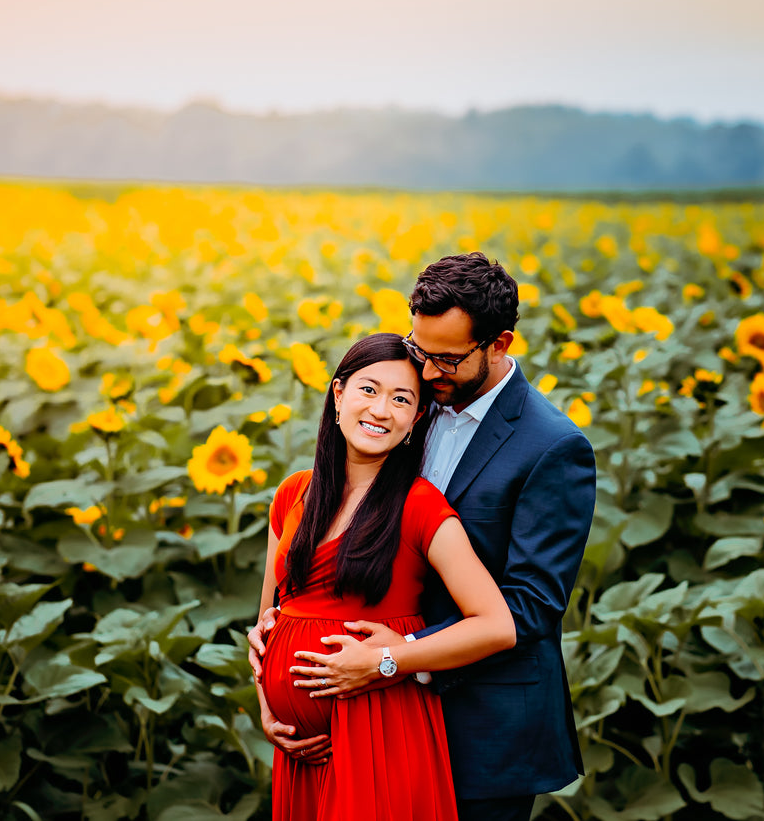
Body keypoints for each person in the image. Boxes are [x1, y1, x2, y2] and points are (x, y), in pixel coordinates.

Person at [252, 252, 598, 821]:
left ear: (499, 344)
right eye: (419, 350)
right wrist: (274, 657)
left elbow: (530, 608)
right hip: (359, 715)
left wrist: (395, 657)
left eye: (446, 359)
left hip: (483, 725)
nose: (428, 371)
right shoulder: (411, 402)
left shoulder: (551, 448)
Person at [255, 331, 517, 820]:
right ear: (338, 394)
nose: (381, 410)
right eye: (368, 389)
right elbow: (269, 619)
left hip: (379, 730)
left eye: (402, 399)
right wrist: (267, 703)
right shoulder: (293, 493)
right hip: (299, 751)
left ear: (416, 420)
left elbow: (497, 625)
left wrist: (386, 662)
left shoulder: (419, 506)